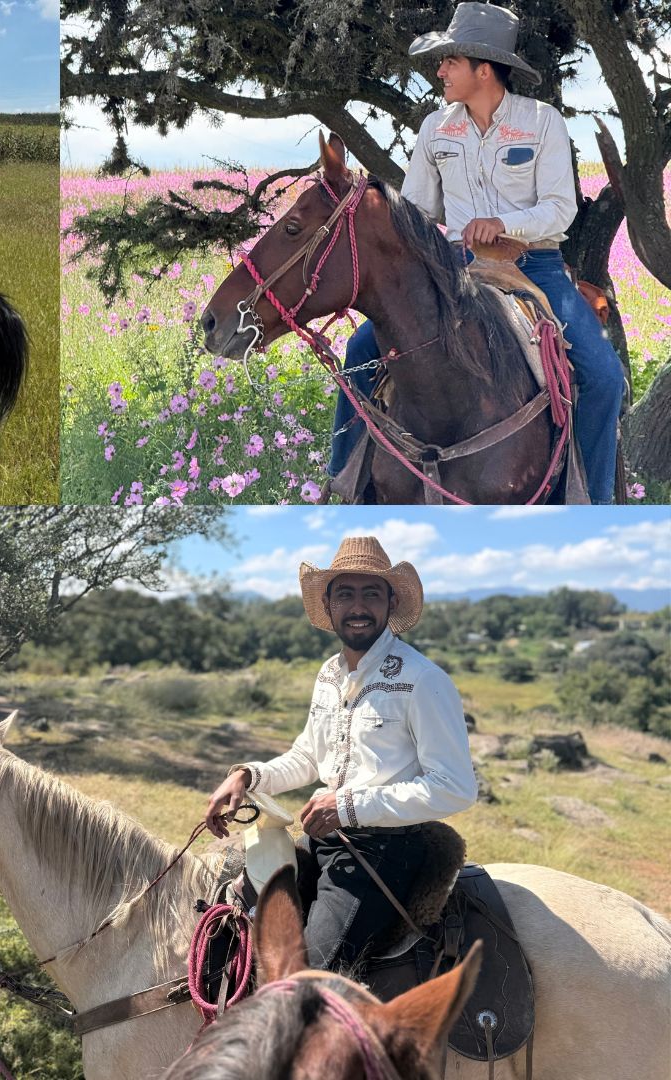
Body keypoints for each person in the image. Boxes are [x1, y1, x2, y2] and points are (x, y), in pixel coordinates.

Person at [326, 1, 624, 502]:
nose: (439, 71)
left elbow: (559, 208)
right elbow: (419, 212)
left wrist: (503, 223)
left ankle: (589, 503)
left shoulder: (541, 122)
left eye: (449, 63)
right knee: (359, 353)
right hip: (455, 269)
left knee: (603, 376)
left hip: (533, 266)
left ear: (482, 69)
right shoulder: (435, 129)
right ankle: (349, 488)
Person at [203, 537, 476, 975]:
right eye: (345, 594)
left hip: (383, 852)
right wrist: (247, 777)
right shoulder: (329, 674)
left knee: (304, 983)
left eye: (371, 593)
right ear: (328, 604)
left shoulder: (422, 680)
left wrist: (347, 805)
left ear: (390, 601)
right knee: (231, 923)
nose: (358, 606)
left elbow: (455, 788)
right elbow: (309, 757)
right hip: (325, 841)